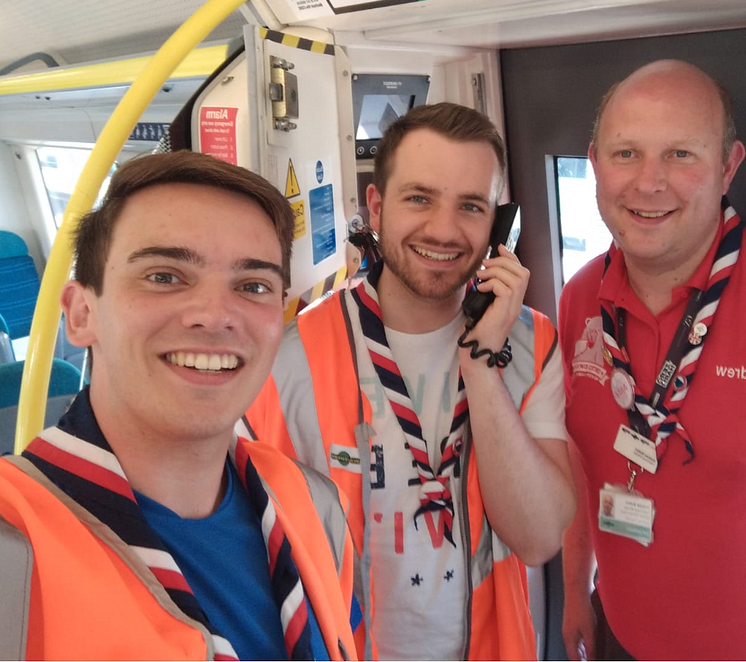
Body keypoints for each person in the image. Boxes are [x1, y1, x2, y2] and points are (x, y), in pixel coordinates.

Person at [245, 102, 575, 660]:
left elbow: (539, 538)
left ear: (497, 224)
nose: (444, 230)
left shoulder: (532, 342)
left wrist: (481, 364)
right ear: (376, 207)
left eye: (471, 206)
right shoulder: (286, 360)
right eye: (419, 198)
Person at [0, 151, 356, 661]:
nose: (215, 315)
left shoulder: (313, 502)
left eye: (253, 286)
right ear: (81, 314)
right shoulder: (12, 550)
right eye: (164, 276)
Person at [559, 60, 746, 661]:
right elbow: (579, 463)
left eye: (681, 155)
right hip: (621, 637)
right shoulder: (578, 298)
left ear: (728, 167)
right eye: (626, 154)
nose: (649, 182)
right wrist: (574, 592)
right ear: (594, 165)